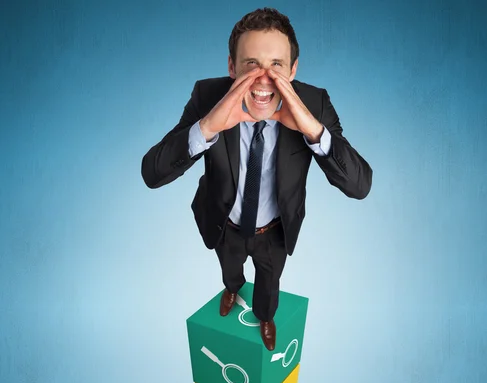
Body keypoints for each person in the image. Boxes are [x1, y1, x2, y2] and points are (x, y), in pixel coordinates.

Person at [141, 8, 372, 351]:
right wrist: (208, 127)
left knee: (269, 284)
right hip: (225, 221)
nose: (264, 79)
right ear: (232, 67)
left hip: (274, 230)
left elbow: (360, 184)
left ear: (293, 69)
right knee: (230, 269)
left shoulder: (315, 104)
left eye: (276, 65)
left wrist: (312, 131)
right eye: (251, 65)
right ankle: (232, 289)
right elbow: (152, 172)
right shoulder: (207, 97)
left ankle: (264, 317)